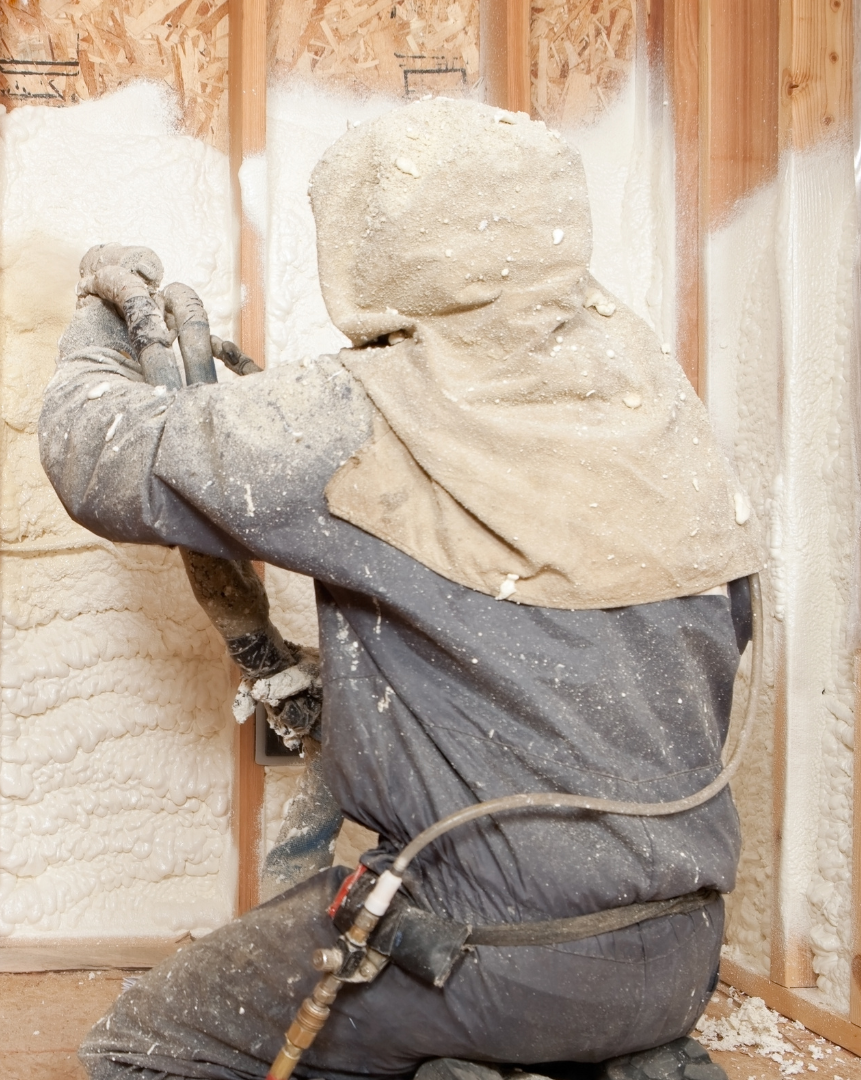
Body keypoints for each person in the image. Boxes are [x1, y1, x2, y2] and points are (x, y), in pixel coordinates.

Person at [38, 97, 763, 1080]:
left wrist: (98, 304)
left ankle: (488, 1048)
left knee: (143, 1046)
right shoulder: (659, 412)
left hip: (485, 957)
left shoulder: (364, 414)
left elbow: (96, 453)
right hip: (675, 956)